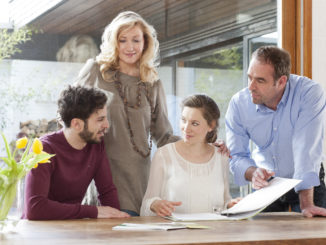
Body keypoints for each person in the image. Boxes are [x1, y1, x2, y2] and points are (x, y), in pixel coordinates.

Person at [225, 46, 326, 218]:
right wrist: (252, 172)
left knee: (311, 235)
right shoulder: (239, 104)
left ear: (281, 81)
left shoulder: (308, 93)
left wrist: (307, 204)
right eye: (249, 78)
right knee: (259, 237)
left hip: (306, 181)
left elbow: (306, 149)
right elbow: (237, 155)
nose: (251, 87)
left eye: (260, 80)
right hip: (268, 185)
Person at [23, 85, 130, 220]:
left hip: (70, 229)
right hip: (38, 233)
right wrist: (93, 212)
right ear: (76, 124)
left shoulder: (96, 144)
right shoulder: (43, 148)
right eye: (100, 119)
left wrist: (118, 222)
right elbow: (35, 208)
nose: (107, 125)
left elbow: (107, 191)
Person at [140, 94, 239, 216]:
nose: (186, 128)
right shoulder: (163, 155)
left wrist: (232, 205)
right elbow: (146, 204)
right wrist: (154, 204)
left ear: (211, 126)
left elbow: (224, 202)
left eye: (195, 123)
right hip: (175, 233)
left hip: (213, 233)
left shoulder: (221, 157)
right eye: (183, 120)